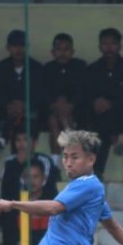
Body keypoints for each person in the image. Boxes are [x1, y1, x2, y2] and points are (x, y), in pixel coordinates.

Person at [78, 28, 123, 179]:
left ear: (119, 46)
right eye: (105, 44)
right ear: (99, 47)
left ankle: (96, 170)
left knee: (106, 121)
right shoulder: (92, 70)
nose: (109, 48)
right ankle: (94, 171)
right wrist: (96, 102)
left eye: (113, 44)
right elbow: (87, 96)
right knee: (98, 123)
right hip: (99, 118)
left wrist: (111, 104)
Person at [0, 29, 46, 155]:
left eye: (22, 45)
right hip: (7, 113)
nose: (18, 50)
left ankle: (3, 139)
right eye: (15, 46)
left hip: (30, 113)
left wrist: (25, 106)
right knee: (13, 119)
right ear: (8, 48)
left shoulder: (36, 68)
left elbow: (40, 94)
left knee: (25, 124)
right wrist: (8, 105)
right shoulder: (0, 68)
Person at [42, 33, 87, 161]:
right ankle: (66, 160)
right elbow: (44, 93)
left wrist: (70, 105)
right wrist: (55, 105)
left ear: (72, 51)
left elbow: (82, 91)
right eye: (59, 49)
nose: (62, 53)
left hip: (75, 110)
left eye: (66, 49)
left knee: (60, 120)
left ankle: (59, 162)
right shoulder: (48, 69)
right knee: (54, 120)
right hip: (53, 111)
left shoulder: (79, 66)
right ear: (53, 52)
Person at [1, 161, 53, 245]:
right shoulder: (15, 202)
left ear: (44, 179)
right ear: (22, 179)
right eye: (27, 177)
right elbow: (9, 231)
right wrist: (18, 244)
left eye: (36, 177)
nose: (31, 181)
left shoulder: (51, 202)